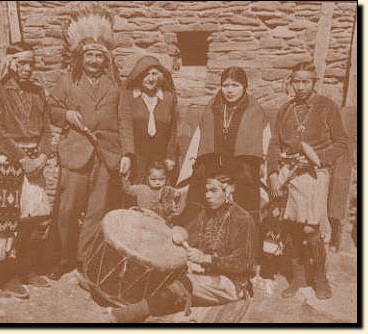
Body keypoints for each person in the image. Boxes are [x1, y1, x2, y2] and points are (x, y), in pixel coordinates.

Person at [105, 154, 255, 323]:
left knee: (184, 283)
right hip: (205, 269)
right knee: (167, 270)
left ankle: (129, 315)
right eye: (206, 190)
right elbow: (189, 233)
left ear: (229, 190)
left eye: (213, 191)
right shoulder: (207, 212)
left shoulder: (243, 219)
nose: (207, 196)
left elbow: (244, 264)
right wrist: (180, 232)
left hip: (232, 283)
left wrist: (206, 258)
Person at [47, 3, 123, 280]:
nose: (94, 61)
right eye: (89, 55)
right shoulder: (68, 80)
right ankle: (64, 256)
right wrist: (66, 114)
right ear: (81, 56)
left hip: (105, 155)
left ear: (106, 60)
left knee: (96, 210)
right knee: (68, 210)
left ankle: (85, 259)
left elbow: (123, 118)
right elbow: (51, 109)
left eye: (99, 57)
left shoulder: (115, 83)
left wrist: (123, 154)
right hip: (76, 153)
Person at [0, 42, 54, 298]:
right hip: (5, 163)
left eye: (31, 63)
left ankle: (26, 269)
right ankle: (6, 274)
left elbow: (46, 128)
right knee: (7, 220)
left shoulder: (38, 92)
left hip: (34, 163)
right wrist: (23, 159)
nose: (28, 69)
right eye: (23, 63)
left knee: (31, 219)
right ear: (11, 63)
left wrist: (43, 155)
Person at [267, 61, 349, 300]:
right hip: (287, 176)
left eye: (306, 81)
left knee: (311, 229)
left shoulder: (326, 107)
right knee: (291, 229)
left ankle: (319, 278)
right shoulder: (285, 109)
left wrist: (317, 158)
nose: (300, 86)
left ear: (314, 82)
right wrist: (273, 172)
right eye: (296, 81)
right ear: (290, 82)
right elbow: (274, 144)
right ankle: (298, 278)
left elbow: (341, 143)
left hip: (314, 175)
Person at [195, 66, 268, 261]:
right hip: (215, 169)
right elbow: (201, 140)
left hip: (244, 172)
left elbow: (261, 146)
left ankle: (244, 259)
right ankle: (214, 255)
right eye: (225, 85)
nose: (229, 90)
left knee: (242, 215)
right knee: (213, 212)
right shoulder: (213, 107)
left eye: (235, 85)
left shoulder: (255, 110)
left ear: (244, 86)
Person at [118, 55, 178, 184]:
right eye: (145, 74)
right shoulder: (129, 97)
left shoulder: (168, 98)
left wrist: (170, 156)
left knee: (160, 191)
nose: (150, 79)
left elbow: (173, 130)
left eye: (154, 74)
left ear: (160, 76)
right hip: (137, 155)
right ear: (139, 76)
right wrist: (128, 155)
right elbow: (125, 126)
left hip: (160, 156)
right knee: (137, 190)